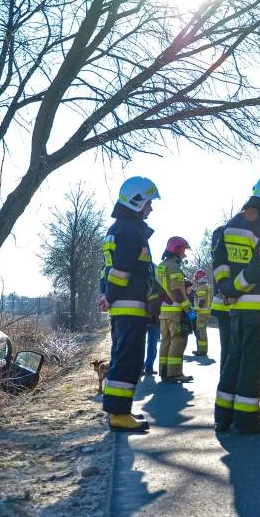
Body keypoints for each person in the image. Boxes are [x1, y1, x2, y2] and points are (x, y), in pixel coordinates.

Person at [213, 171, 260, 435]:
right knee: (254, 364)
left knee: (234, 360)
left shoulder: (233, 222)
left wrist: (227, 289)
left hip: (236, 308)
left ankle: (223, 417)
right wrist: (236, 287)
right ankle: (246, 421)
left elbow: (220, 261)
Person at [97, 176, 161, 432]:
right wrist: (110, 295)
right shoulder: (129, 231)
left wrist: (106, 294)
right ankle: (118, 414)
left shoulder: (118, 229)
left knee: (122, 358)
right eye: (148, 203)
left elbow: (107, 271)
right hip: (129, 305)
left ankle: (119, 410)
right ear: (136, 203)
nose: (151, 208)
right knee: (128, 360)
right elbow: (121, 270)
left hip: (122, 304)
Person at [156, 236, 195, 383]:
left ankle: (164, 371)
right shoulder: (174, 267)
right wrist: (188, 308)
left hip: (163, 311)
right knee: (178, 340)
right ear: (177, 249)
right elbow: (177, 291)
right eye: (184, 250)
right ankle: (175, 373)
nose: (184, 253)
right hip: (175, 310)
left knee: (165, 340)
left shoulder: (161, 265)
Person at [210, 225, 233, 370]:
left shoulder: (217, 252)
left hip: (221, 303)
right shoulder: (225, 251)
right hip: (229, 302)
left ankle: (226, 382)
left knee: (227, 347)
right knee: (231, 348)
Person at [193, 269, 212, 356]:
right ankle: (200, 349)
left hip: (201, 314)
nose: (195, 280)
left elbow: (201, 301)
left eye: (196, 278)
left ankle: (202, 350)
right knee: (201, 331)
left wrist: (195, 309)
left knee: (201, 332)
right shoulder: (205, 286)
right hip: (203, 313)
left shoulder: (202, 287)